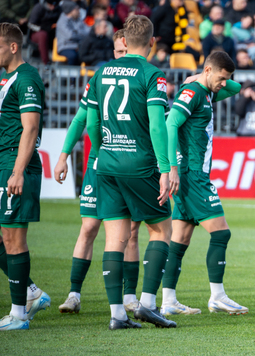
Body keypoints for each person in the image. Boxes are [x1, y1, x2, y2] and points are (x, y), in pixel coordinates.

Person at [85, 15, 179, 330]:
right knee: (162, 229)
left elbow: (91, 123)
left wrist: (100, 152)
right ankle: (149, 305)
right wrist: (165, 168)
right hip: (138, 164)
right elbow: (156, 124)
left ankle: (116, 315)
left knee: (115, 238)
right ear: (152, 42)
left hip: (107, 164)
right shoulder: (153, 75)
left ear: (123, 41)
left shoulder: (100, 72)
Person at [54, 30, 145, 315]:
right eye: (118, 52)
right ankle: (74, 293)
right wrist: (63, 156)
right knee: (89, 227)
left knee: (131, 232)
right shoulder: (101, 77)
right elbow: (81, 119)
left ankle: (129, 297)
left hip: (127, 164)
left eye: (124, 52)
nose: (121, 57)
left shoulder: (141, 77)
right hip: (99, 164)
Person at [164, 52, 248, 315]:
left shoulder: (207, 90)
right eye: (221, 78)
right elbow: (170, 124)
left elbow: (237, 87)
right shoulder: (194, 93)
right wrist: (172, 169)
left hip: (192, 174)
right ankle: (217, 296)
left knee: (180, 239)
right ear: (209, 70)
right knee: (221, 233)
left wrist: (207, 78)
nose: (224, 84)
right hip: (191, 175)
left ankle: (167, 301)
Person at [0, 23, 50, 330]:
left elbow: (30, 128)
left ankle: (19, 314)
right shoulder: (6, 78)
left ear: (13, 47)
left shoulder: (27, 78)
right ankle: (30, 292)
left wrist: (17, 171)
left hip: (17, 167)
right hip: (4, 164)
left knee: (13, 238)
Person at [56, 1, 91, 65]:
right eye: (77, 9)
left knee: (87, 54)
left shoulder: (78, 20)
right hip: (66, 47)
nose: (79, 11)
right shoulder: (62, 22)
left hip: (78, 46)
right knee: (73, 56)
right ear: (70, 10)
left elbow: (89, 32)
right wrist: (82, 34)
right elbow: (70, 36)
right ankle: (72, 74)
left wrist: (77, 32)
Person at [28, 0, 61, 65]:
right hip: (37, 32)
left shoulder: (59, 9)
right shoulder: (38, 8)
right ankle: (46, 62)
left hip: (53, 32)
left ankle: (61, 61)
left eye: (55, 5)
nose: (53, 7)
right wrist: (44, 28)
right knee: (43, 35)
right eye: (50, 5)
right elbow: (30, 25)